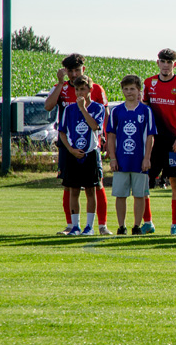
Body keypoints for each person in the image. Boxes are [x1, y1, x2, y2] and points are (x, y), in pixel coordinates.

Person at [44, 53, 111, 236]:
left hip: (91, 144)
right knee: (70, 185)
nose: (74, 74)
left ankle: (101, 225)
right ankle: (71, 225)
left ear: (84, 69)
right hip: (69, 144)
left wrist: (105, 137)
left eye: (77, 70)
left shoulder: (95, 88)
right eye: (70, 71)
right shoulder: (62, 88)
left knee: (96, 185)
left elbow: (104, 115)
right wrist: (60, 83)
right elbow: (48, 106)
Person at [141, 48, 176, 236]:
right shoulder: (149, 83)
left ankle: (175, 226)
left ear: (175, 64)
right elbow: (144, 111)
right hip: (152, 142)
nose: (166, 65)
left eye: (169, 62)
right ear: (158, 63)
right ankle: (148, 222)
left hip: (174, 142)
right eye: (163, 62)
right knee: (144, 181)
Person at [106, 75, 156, 235]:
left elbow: (150, 136)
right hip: (121, 161)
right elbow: (111, 136)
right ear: (122, 90)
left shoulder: (146, 111)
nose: (129, 92)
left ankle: (136, 226)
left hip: (139, 161)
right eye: (126, 89)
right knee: (120, 195)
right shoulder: (116, 111)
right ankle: (121, 226)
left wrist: (147, 158)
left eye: (132, 89)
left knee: (140, 195)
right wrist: (113, 158)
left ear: (139, 90)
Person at [58, 77, 106, 236]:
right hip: (73, 154)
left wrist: (83, 108)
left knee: (91, 191)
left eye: (83, 89)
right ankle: (75, 226)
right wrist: (71, 150)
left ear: (90, 90)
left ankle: (89, 227)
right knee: (74, 190)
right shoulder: (69, 110)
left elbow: (95, 126)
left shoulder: (98, 108)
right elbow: (62, 132)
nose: (79, 93)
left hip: (90, 153)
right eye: (77, 90)